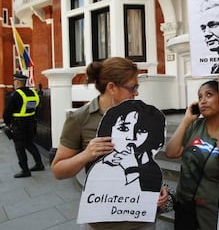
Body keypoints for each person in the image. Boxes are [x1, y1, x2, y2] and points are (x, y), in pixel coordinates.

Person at [50, 57, 168, 230]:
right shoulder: (80, 118)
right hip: (102, 223)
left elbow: (147, 159)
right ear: (112, 87)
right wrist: (85, 155)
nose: (136, 93)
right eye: (132, 87)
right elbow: (58, 170)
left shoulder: (144, 115)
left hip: (141, 220)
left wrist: (156, 186)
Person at [166, 80, 219, 230]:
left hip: (213, 212)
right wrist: (186, 120)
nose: (203, 101)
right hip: (185, 207)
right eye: (200, 97)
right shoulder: (195, 127)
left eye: (209, 95)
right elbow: (171, 152)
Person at [3, 73, 44, 178]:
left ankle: (25, 170)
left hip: (19, 125)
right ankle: (39, 164)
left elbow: (7, 112)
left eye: (14, 82)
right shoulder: (34, 93)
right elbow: (36, 107)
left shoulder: (15, 95)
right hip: (31, 123)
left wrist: (7, 124)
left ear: (17, 82)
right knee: (30, 144)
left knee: (19, 148)